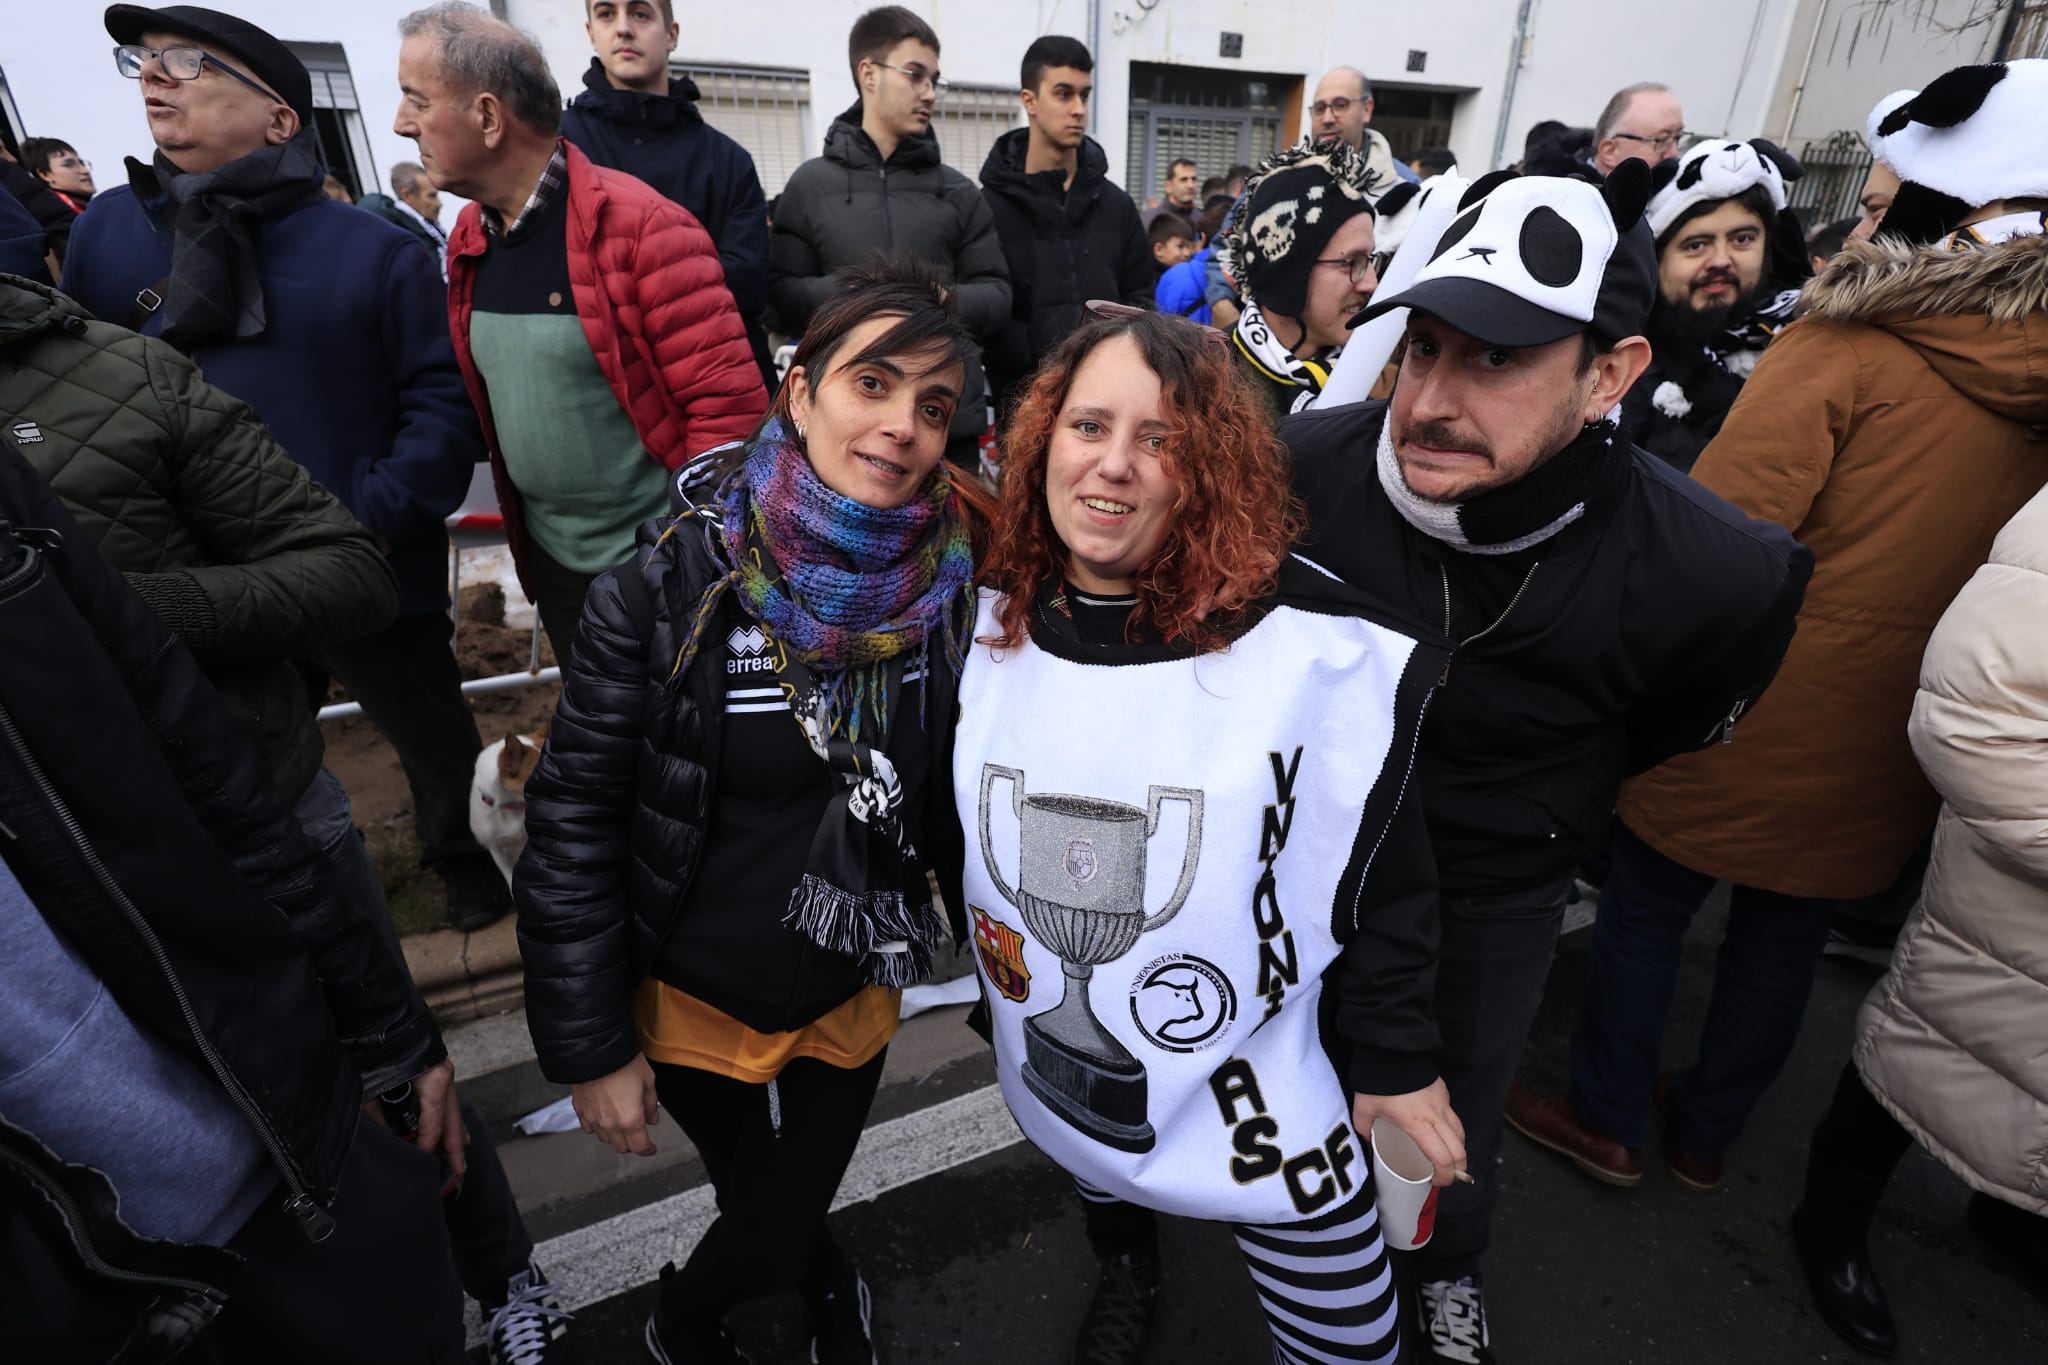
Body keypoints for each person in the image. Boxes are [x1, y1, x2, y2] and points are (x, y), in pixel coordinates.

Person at [1288, 163, 1811, 1363]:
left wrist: (1545, 803)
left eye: (1494, 359)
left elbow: (1679, 714)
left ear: (1608, 377)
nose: (1429, 399)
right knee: (1300, 1088)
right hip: (1312, 864)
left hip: (1494, 886)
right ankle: (1311, 1262)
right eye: (1422, 348)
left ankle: (1438, 1269)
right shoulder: (1301, 470)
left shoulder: (1709, 565)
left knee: (1448, 1116)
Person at [1508, 59, 2048, 1214]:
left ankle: (1604, 1117)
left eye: (1884, 198)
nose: (1863, 220)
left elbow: (1723, 538)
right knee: (1780, 943)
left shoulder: (1846, 338)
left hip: (1743, 702)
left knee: (1645, 909)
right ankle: (1705, 1135)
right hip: (1892, 727)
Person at [0, 270, 569, 1365]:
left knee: (398, 1087)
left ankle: (502, 1275)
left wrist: (110, 619)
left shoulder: (116, 371)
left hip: (248, 817)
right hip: (54, 928)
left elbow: (344, 565)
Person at [960, 305, 1450, 1365]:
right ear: (1043, 441)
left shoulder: (1310, 648)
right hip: (1057, 1050)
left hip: (1261, 1090)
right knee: (1096, 1166)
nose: (1115, 464)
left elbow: (1385, 879)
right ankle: (1126, 1263)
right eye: (1090, 426)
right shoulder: (986, 614)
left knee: (1349, 1347)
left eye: (1160, 438)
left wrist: (1399, 1060)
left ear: (1208, 470)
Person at [517, 266, 980, 1365]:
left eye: (933, 406)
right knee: (765, 1206)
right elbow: (573, 820)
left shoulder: (953, 588)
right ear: (799, 390)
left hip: (853, 981)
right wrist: (589, 1047)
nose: (903, 425)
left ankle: (704, 1310)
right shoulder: (667, 588)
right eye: (873, 383)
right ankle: (781, 1296)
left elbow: (963, 801)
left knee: (779, 1208)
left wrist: (1015, 980)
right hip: (694, 997)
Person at [0, 445, 465, 1363]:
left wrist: (381, 1027)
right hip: (76, 1307)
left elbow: (188, 733)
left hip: (266, 1136)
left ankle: (509, 1270)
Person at [64, 3, 505, 932]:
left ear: (279, 118)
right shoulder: (108, 234)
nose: (156, 75)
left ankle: (464, 861)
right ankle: (281, 901)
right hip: (196, 575)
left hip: (362, 563)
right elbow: (74, 390)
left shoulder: (373, 249)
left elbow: (443, 406)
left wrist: (368, 515)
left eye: (191, 62)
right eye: (145, 60)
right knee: (230, 753)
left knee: (431, 734)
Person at [396, 2, 767, 667]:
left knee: (678, 727)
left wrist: (684, 563)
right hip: (555, 570)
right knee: (600, 723)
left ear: (488, 117)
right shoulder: (469, 237)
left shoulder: (647, 229)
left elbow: (726, 417)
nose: (402, 122)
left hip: (657, 571)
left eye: (417, 101)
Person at [1792, 481, 2048, 1358]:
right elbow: (1974, 718)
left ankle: (2014, 1209)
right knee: (1933, 1045)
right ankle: (1831, 1220)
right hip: (2015, 889)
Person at [770, 5, 1009, 466]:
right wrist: (860, 298)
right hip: (842, 422)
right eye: (915, 75)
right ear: (869, 74)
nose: (929, 93)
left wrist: (939, 301)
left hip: (943, 423)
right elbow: (781, 293)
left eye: (934, 80)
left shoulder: (959, 191)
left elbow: (998, 293)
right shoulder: (810, 185)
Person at [562, 0, 779, 394]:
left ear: (671, 34)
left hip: (720, 381)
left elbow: (747, 283)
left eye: (640, 13)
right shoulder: (560, 148)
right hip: (603, 389)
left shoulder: (727, 159)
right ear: (591, 33)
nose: (623, 28)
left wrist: (627, 289)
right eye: (607, 14)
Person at [978, 34, 1153, 420]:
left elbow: (1141, 302)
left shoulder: (1116, 205)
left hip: (1113, 404)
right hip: (1024, 407)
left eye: (1084, 95)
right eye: (1063, 94)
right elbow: (989, 314)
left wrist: (1111, 357)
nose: (1078, 109)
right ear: (1029, 101)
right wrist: (1043, 357)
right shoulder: (987, 207)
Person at [1620, 137, 1811, 473]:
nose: (1721, 261)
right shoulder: (1615, 363)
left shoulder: (1807, 354)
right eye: (1696, 245)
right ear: (1657, 259)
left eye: (1742, 239)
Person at [1218, 140, 1379, 422]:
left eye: (1369, 260)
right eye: (1351, 262)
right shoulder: (1208, 383)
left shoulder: (1369, 371)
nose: (1371, 284)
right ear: (1288, 272)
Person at [1310, 66, 1413, 187]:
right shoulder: (1293, 178)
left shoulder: (1402, 187)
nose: (1327, 119)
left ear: (1366, 109)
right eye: (1320, 108)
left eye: (1340, 105)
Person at [359, 159, 449, 274]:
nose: (439, 204)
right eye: (431, 196)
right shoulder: (403, 234)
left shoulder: (425, 226)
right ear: (407, 195)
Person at [1589, 82, 1686, 178]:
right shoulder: (1580, 188)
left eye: (1678, 138)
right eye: (1661, 140)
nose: (1675, 154)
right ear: (1610, 152)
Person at [19, 137, 95, 213]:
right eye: (68, 164)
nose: (85, 171)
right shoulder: (50, 213)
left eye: (82, 163)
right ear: (45, 175)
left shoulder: (88, 208)